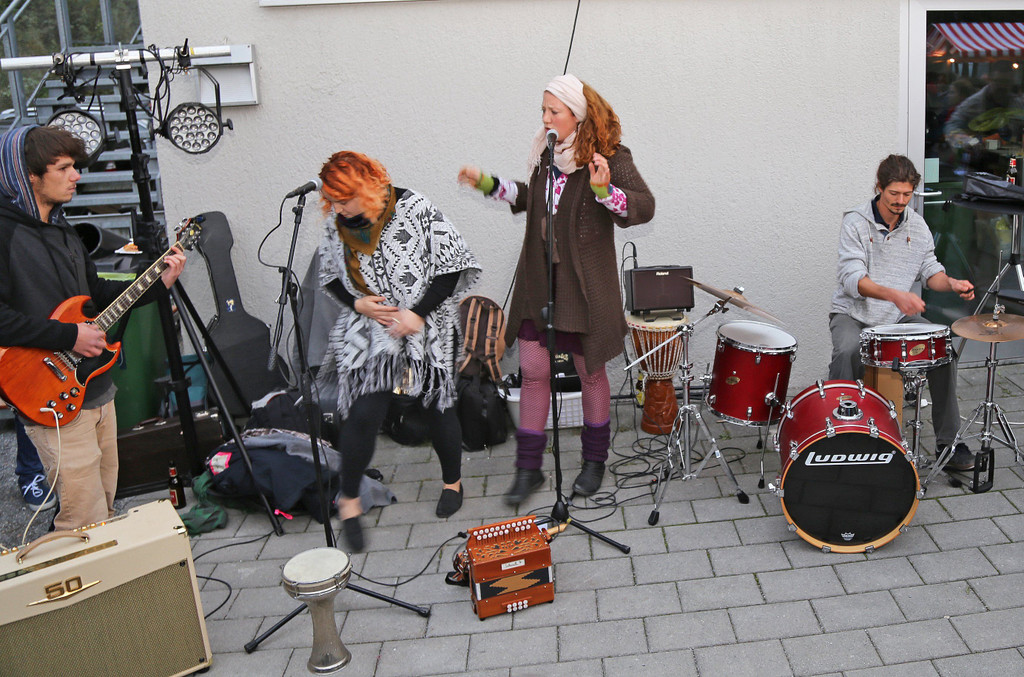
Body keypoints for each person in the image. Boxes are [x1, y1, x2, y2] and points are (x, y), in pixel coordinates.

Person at [458, 74, 655, 506]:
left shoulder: (610, 156)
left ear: (577, 114)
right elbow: (531, 198)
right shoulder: (547, 155)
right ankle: (528, 469)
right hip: (540, 281)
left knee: (590, 372)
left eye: (554, 111)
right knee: (533, 371)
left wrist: (605, 190)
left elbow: (643, 206)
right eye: (543, 110)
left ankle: (594, 462)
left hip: (585, 288)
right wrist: (488, 184)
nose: (546, 119)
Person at [0, 124, 186, 530]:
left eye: (75, 166)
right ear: (30, 175)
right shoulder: (5, 234)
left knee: (103, 505)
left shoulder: (64, 228)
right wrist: (70, 336)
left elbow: (95, 295)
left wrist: (158, 284)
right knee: (81, 518)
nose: (76, 176)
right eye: (63, 168)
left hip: (95, 386)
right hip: (47, 392)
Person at [316, 151, 480, 552]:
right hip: (374, 331)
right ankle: (349, 500)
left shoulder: (414, 208)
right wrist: (358, 304)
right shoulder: (336, 225)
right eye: (331, 200)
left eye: (343, 199)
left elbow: (451, 266)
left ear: (365, 187)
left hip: (426, 324)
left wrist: (416, 314)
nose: (337, 208)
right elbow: (330, 276)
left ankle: (453, 483)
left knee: (436, 406)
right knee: (364, 411)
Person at [829, 154, 976, 471]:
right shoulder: (855, 222)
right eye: (894, 193)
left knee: (943, 351)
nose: (900, 200)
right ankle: (836, 438)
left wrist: (951, 283)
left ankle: (949, 445)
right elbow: (852, 279)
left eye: (907, 194)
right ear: (879, 187)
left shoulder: (917, 225)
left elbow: (930, 271)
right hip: (853, 314)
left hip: (897, 318)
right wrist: (895, 295)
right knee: (848, 350)